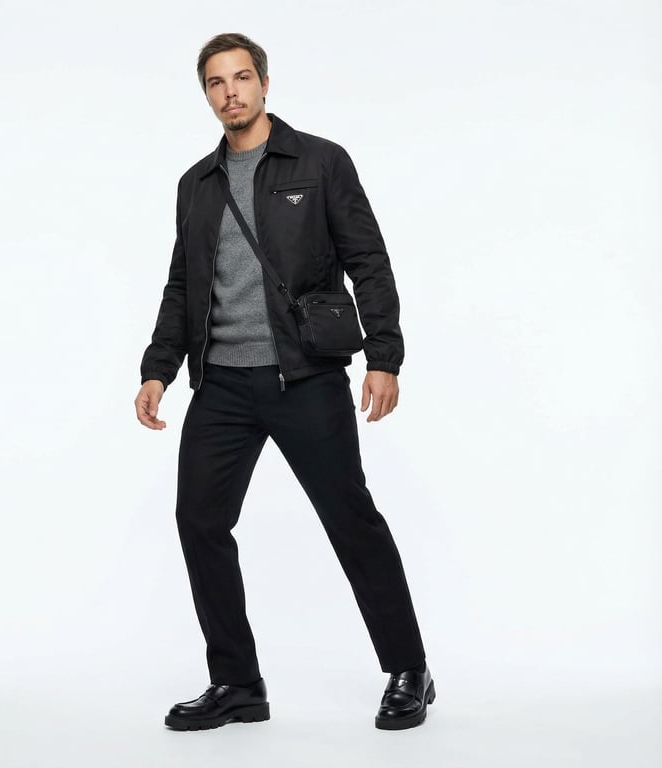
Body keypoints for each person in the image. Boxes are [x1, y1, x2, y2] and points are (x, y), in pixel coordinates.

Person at [134, 32, 435, 731]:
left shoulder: (320, 162)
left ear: (264, 84)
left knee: (351, 520)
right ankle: (237, 683)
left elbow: (368, 260)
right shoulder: (197, 184)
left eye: (241, 78)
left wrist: (384, 356)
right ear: (206, 94)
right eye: (216, 82)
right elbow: (183, 285)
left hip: (304, 378)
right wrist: (158, 368)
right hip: (221, 385)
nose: (230, 93)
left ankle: (409, 669)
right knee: (199, 521)